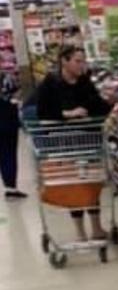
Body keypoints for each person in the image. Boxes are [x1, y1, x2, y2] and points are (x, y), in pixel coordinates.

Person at [37, 45, 110, 241]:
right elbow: (42, 113)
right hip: (64, 142)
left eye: (83, 61)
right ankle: (80, 231)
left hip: (88, 139)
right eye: (77, 61)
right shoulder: (50, 83)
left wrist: (108, 108)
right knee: (74, 185)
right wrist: (68, 114)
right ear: (64, 61)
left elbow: (98, 105)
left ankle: (96, 228)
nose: (81, 65)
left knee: (92, 183)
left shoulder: (84, 82)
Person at [0, 72, 26, 199]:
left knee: (3, 155)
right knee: (9, 154)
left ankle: (9, 186)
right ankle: (11, 188)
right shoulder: (7, 78)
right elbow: (17, 94)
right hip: (8, 120)